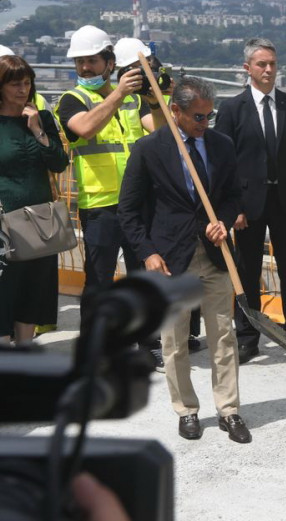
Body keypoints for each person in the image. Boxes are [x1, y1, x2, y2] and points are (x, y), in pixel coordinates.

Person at [118, 76, 251, 444]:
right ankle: (187, 410)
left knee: (223, 336)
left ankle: (229, 410)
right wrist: (148, 252)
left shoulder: (221, 145)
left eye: (209, 116)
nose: (204, 124)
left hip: (214, 256)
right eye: (198, 117)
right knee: (174, 341)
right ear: (174, 111)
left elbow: (233, 196)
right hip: (170, 259)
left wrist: (222, 221)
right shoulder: (149, 149)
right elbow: (128, 211)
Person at [215, 38, 286, 365]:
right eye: (262, 64)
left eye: (272, 63)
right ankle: (247, 337)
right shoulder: (232, 109)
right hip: (247, 206)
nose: (269, 70)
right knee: (246, 272)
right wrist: (233, 209)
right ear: (248, 69)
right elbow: (223, 162)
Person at [55, 25, 164, 321]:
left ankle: (148, 344)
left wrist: (154, 96)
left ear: (110, 63)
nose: (85, 68)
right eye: (80, 62)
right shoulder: (72, 100)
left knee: (143, 277)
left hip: (137, 203)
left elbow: (163, 133)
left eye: (92, 60)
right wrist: (117, 93)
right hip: (100, 207)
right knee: (99, 282)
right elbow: (85, 128)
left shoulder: (134, 99)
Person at [112, 36, 204, 359]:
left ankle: (188, 329)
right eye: (136, 70)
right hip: (134, 192)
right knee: (145, 265)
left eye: (146, 68)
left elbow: (168, 130)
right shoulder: (119, 100)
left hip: (164, 192)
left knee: (179, 262)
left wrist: (163, 90)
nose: (143, 75)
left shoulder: (154, 98)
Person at [0, 55, 69, 345]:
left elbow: (58, 163)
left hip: (40, 220)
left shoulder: (42, 118)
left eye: (27, 83)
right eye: (15, 84)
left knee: (33, 289)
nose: (23, 90)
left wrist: (37, 129)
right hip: (5, 221)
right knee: (4, 291)